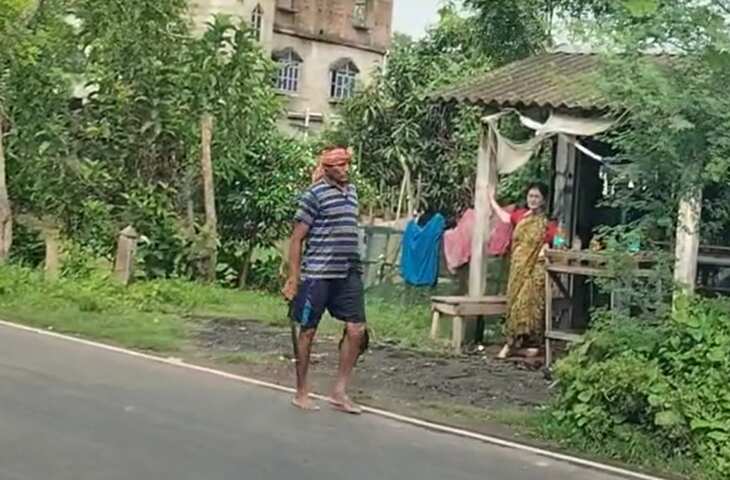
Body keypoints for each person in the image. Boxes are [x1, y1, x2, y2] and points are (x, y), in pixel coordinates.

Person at [282, 146, 368, 414]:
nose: (345, 169)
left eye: (347, 164)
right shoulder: (314, 195)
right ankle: (301, 390)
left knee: (357, 330)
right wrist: (293, 278)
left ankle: (339, 391)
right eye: (339, 165)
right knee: (307, 330)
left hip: (348, 271)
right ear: (328, 169)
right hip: (318, 273)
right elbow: (297, 238)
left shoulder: (352, 192)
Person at [489, 182, 557, 359]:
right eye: (530, 196)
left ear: (543, 200)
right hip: (517, 268)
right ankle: (515, 345)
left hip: (534, 270)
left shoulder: (547, 222)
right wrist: (491, 200)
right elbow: (505, 218)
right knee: (513, 304)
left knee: (528, 306)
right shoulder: (521, 215)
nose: (533, 200)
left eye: (537, 197)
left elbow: (553, 242)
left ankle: (518, 344)